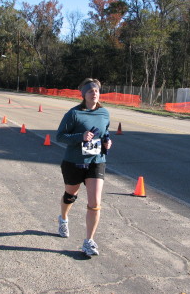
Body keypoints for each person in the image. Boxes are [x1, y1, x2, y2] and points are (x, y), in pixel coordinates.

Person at [56, 78, 113, 256]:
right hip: (73, 162)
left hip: (96, 161)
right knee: (71, 195)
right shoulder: (73, 114)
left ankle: (89, 241)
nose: (94, 93)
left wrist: (107, 141)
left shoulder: (104, 113)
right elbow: (60, 136)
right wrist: (80, 136)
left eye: (96, 91)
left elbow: (106, 132)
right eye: (90, 91)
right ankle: (63, 218)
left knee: (95, 202)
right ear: (83, 95)